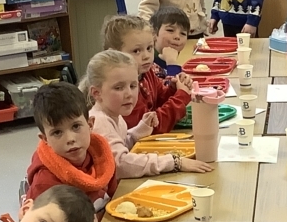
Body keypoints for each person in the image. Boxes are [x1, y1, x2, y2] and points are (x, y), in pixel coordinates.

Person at [84, 49, 212, 178]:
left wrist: (140, 129)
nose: (129, 94)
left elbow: (120, 143)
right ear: (96, 93)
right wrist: (174, 162)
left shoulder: (113, 114)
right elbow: (120, 164)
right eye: (118, 88)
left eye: (133, 86)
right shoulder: (100, 122)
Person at [24, 81, 117, 216]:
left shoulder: (104, 158)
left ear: (90, 124)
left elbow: (115, 198)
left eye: (76, 126)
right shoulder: (44, 184)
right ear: (45, 139)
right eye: (57, 132)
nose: (70, 139)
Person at [102, 14, 193, 135]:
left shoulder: (146, 72)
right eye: (136, 51)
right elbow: (152, 127)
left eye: (149, 48)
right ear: (114, 54)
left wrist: (174, 88)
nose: (146, 56)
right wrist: (181, 97)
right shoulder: (123, 88)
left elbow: (160, 99)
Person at [150, 5, 190, 78]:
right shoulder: (149, 63)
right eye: (170, 30)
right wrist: (172, 63)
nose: (177, 37)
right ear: (154, 33)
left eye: (183, 33)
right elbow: (174, 87)